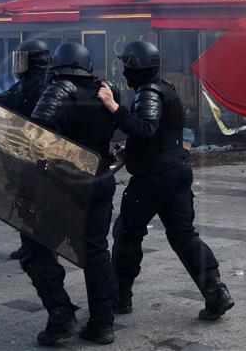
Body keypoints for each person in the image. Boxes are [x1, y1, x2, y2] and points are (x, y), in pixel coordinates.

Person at [98, 40, 234, 322]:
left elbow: (146, 128)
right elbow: (158, 134)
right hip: (176, 173)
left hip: (154, 178)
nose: (124, 72)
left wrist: (114, 108)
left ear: (135, 68)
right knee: (184, 235)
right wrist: (131, 151)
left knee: (127, 234)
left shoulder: (149, 92)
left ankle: (120, 297)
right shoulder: (164, 89)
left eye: (126, 66)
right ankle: (216, 292)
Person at [22, 42, 119, 345]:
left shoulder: (59, 90)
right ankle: (103, 324)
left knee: (35, 247)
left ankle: (61, 317)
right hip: (101, 179)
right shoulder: (106, 90)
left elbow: (35, 135)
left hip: (64, 184)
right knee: (96, 252)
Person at [0, 39, 51, 261]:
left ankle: (42, 245)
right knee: (24, 199)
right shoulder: (26, 82)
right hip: (24, 148)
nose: (19, 63)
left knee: (37, 200)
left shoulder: (44, 83)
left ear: (35, 60)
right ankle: (28, 245)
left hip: (39, 151)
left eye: (23, 58)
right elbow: (11, 96)